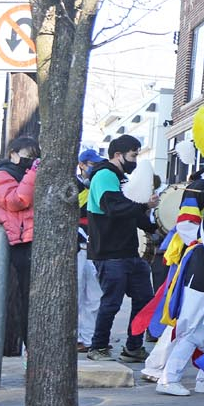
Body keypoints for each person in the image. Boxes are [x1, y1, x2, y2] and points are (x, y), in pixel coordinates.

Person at [153, 169, 204, 397]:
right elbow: (187, 225)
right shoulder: (201, 184)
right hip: (203, 262)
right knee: (191, 323)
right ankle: (169, 378)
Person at [85, 135, 159, 363]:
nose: (136, 160)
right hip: (110, 253)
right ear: (118, 155)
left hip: (128, 252)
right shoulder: (104, 175)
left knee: (144, 299)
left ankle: (133, 348)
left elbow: (131, 214)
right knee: (111, 303)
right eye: (133, 155)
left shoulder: (120, 179)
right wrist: (145, 205)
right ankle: (98, 347)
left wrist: (155, 224)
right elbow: (114, 208)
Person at [0, 136, 39, 357]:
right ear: (13, 153)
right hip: (21, 241)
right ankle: (29, 350)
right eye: (29, 155)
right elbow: (17, 201)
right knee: (27, 298)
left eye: (36, 157)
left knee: (33, 299)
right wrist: (34, 173)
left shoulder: (26, 174)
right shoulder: (0, 175)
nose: (33, 160)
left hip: (32, 238)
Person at [75, 148, 107, 351]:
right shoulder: (74, 185)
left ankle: (88, 339)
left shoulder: (97, 185)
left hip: (94, 248)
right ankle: (73, 337)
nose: (93, 168)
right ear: (82, 165)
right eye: (91, 164)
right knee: (75, 294)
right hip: (77, 246)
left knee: (94, 297)